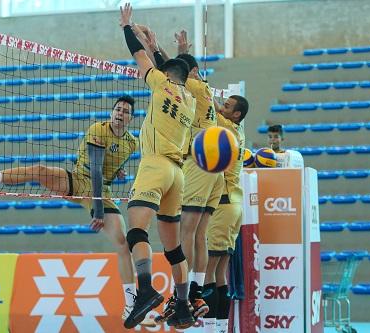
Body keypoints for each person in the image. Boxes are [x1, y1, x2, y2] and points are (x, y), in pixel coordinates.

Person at [0, 95, 153, 327]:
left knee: (122, 242)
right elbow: (95, 171)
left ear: (131, 118)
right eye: (117, 109)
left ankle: (130, 305)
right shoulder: (98, 129)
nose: (120, 113)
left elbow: (108, 169)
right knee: (40, 170)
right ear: (111, 112)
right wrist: (97, 211)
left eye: (126, 111)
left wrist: (117, 174)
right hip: (79, 180)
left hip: (100, 191)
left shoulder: (132, 144)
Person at [119, 3, 196, 329]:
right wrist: (161, 48)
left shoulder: (159, 84)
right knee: (173, 248)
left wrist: (127, 27)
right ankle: (182, 305)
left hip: (154, 165)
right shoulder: (190, 100)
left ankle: (147, 289)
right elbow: (171, 68)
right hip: (178, 175)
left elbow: (140, 59)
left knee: (136, 229)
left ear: (166, 76)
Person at [138, 28, 217, 322]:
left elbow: (174, 75)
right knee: (198, 235)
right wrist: (161, 48)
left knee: (184, 233)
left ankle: (187, 297)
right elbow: (178, 71)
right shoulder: (202, 90)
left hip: (196, 163)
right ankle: (191, 294)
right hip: (210, 169)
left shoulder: (191, 90)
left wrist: (156, 49)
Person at [203, 95, 249, 333]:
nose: (223, 107)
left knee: (209, 270)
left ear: (237, 114)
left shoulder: (226, 129)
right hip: (232, 205)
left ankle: (211, 328)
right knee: (220, 272)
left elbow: (209, 105)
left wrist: (204, 89)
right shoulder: (236, 130)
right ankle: (220, 328)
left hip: (224, 204)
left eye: (228, 107)